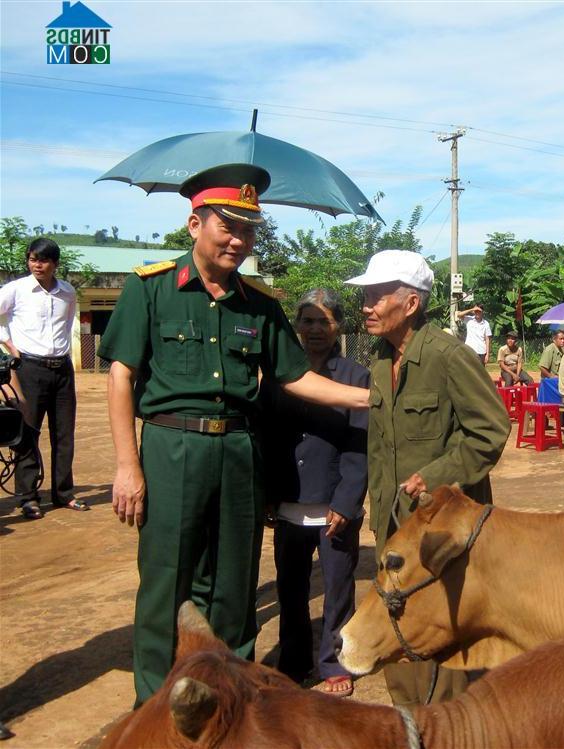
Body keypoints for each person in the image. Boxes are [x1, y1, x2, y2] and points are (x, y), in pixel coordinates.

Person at [98, 164, 370, 705]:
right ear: (194, 223)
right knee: (166, 581)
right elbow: (121, 375)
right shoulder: (149, 288)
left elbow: (296, 377)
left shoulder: (261, 305)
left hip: (241, 452)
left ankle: (230, 695)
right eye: (229, 226)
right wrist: (128, 466)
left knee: (234, 583)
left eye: (249, 230)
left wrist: (373, 398)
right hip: (173, 448)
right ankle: (154, 701)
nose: (240, 241)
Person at [346, 249, 510, 708]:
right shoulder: (379, 361)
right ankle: (411, 721)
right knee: (397, 623)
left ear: (411, 304)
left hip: (443, 528)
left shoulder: (448, 356)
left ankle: (451, 725)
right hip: (394, 525)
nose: (367, 306)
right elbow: (379, 449)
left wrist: (435, 476)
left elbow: (491, 429)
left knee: (444, 627)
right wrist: (375, 510)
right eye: (366, 296)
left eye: (377, 297)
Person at [260, 289, 369, 697]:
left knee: (339, 590)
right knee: (291, 589)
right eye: (307, 321)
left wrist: (346, 501)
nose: (314, 329)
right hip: (288, 501)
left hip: (334, 505)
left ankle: (333, 662)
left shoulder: (356, 377)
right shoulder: (278, 373)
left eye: (323, 321)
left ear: (338, 326)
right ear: (297, 326)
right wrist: (269, 492)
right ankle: (293, 661)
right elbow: (268, 435)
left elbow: (361, 443)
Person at [0, 237, 82, 519]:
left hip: (61, 369)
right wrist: (7, 344)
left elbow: (67, 326)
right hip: (29, 369)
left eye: (43, 260)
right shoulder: (16, 290)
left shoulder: (67, 293)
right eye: (33, 259)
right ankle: (28, 497)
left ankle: (64, 493)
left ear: (55, 264)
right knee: (28, 433)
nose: (37, 264)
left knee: (64, 434)